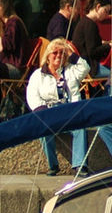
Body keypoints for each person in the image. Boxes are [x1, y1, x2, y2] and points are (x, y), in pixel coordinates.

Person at [26, 38, 91, 176]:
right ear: (48, 56)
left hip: (69, 109)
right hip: (48, 110)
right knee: (43, 128)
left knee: (80, 127)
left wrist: (71, 53)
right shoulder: (38, 75)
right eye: (55, 53)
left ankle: (80, 166)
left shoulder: (70, 71)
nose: (58, 56)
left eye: (62, 53)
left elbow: (85, 68)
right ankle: (53, 165)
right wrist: (42, 112)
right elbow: (32, 96)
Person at [72, 0, 112, 76]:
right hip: (90, 68)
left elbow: (91, 45)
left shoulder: (84, 22)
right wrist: (111, 45)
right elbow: (93, 52)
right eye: (106, 11)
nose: (107, 15)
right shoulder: (90, 25)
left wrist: (109, 43)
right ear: (98, 7)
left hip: (83, 65)